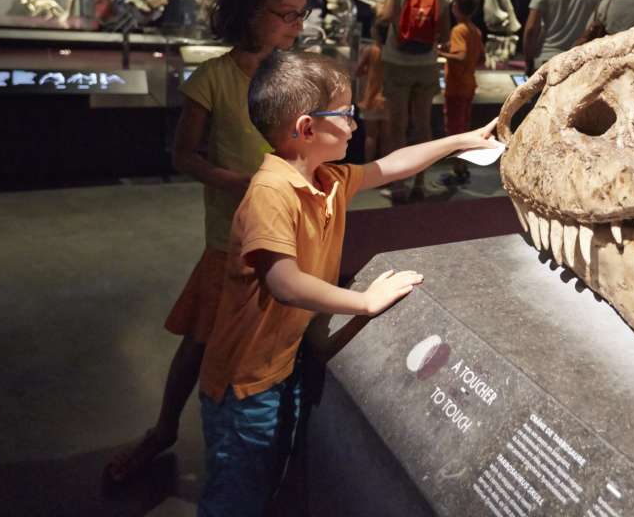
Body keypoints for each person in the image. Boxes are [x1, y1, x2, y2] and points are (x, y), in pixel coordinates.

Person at [197, 50, 497, 516]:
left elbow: (393, 165)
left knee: (272, 480)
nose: (356, 124)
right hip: (245, 383)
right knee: (237, 496)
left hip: (283, 365)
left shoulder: (328, 178)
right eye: (347, 114)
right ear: (306, 128)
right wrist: (365, 302)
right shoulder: (271, 193)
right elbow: (286, 283)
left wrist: (460, 140)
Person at [105, 0, 311, 484]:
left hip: (292, 231)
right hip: (233, 239)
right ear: (249, 10)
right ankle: (167, 430)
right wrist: (242, 183)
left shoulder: (293, 73)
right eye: (284, 13)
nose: (296, 24)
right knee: (201, 342)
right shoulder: (213, 79)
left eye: (299, 14)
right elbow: (184, 155)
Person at [376, 0, 451, 203]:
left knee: (397, 125)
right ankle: (420, 182)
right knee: (423, 125)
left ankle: (398, 184)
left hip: (397, 63)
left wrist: (378, 12)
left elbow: (385, 16)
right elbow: (444, 35)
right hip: (426, 65)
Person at [438, 0, 485, 187]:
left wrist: (440, 53)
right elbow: (481, 58)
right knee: (464, 128)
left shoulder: (458, 30)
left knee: (455, 130)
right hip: (468, 87)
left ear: (456, 7)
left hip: (456, 88)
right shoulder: (475, 30)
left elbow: (461, 55)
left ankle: (458, 170)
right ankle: (462, 168)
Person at [353, 19, 389, 163]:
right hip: (389, 99)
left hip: (372, 98)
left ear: (376, 32)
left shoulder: (371, 50)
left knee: (371, 136)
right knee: (386, 137)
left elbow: (357, 71)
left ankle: (369, 169)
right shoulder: (392, 51)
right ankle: (388, 170)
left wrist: (368, 70)